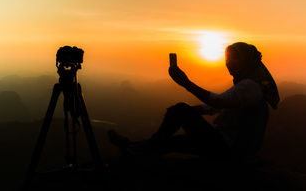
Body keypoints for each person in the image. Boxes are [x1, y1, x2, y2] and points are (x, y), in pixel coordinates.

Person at [108, 42, 279, 160]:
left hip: (229, 148)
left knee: (179, 110)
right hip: (231, 148)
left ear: (248, 60)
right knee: (170, 142)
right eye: (227, 57)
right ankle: (131, 147)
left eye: (235, 57)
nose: (229, 62)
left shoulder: (250, 86)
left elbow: (218, 102)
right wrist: (193, 112)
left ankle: (134, 149)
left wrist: (185, 84)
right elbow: (217, 105)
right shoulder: (248, 84)